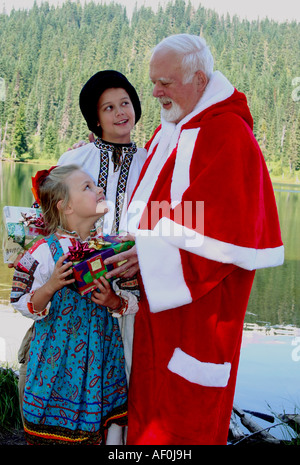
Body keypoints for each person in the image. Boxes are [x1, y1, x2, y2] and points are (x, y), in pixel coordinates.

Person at [103, 34, 284, 445]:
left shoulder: (228, 135)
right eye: (153, 81)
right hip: (152, 311)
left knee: (182, 426)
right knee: (144, 415)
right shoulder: (172, 129)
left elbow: (225, 231)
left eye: (165, 82)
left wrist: (146, 253)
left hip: (198, 317)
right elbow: (165, 209)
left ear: (199, 78)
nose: (154, 92)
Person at [16, 71, 146, 443]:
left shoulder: (152, 160)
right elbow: (45, 216)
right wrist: (30, 256)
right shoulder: (77, 156)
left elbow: (163, 219)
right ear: (96, 118)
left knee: (123, 374)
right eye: (109, 107)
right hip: (72, 297)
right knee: (68, 371)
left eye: (125, 103)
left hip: (127, 291)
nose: (120, 112)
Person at [10, 164, 138, 445]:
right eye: (88, 187)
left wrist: (114, 301)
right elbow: (19, 299)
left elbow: (134, 301)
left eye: (96, 185)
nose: (99, 189)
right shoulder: (44, 251)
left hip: (100, 360)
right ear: (65, 207)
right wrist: (51, 285)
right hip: (55, 362)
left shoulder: (113, 248)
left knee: (104, 432)